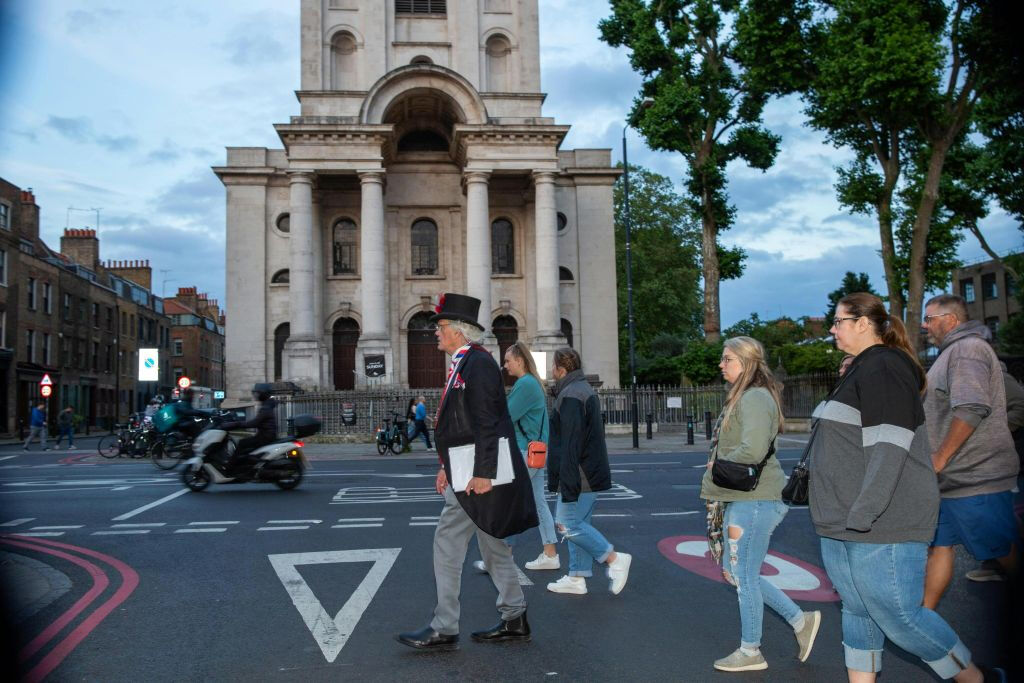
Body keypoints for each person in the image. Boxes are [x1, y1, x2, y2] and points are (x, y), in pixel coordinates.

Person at [809, 292, 996, 683]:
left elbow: (889, 447)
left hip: (880, 520)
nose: (832, 328)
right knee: (858, 611)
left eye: (839, 320)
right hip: (840, 520)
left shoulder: (885, 366)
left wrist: (865, 512)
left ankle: (977, 678)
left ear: (863, 323)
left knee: (901, 617)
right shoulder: (860, 370)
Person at [397, 293, 537, 651]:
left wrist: (484, 472)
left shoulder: (478, 364)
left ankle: (444, 625)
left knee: (447, 543)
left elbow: (488, 421)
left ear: (459, 332)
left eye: (441, 327)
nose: (436, 334)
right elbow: (464, 423)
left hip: (475, 475)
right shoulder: (466, 363)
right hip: (465, 469)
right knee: (492, 545)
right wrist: (445, 465)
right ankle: (515, 616)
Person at [701, 336, 821, 673]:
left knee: (743, 576)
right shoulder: (746, 395)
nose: (721, 365)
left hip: (754, 501)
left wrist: (717, 463)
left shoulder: (754, 397)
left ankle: (751, 650)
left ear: (745, 361)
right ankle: (801, 621)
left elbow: (752, 452)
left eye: (727, 359)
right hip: (741, 498)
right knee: (738, 573)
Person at [920, 294, 1018, 607]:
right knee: (940, 546)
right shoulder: (951, 353)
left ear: (950, 320)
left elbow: (972, 408)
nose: (925, 325)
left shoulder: (967, 350)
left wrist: (940, 457)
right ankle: (924, 622)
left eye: (930, 318)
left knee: (1002, 550)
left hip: (975, 478)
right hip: (952, 483)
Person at [545, 347, 631, 596]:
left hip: (579, 473)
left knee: (566, 523)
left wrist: (566, 481)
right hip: (587, 471)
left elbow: (571, 443)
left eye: (553, 366)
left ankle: (614, 559)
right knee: (579, 524)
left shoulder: (571, 394)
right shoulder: (581, 389)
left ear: (560, 369)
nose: (551, 371)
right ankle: (577, 577)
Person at [473, 340, 559, 573]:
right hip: (535, 452)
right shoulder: (531, 383)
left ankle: (501, 558)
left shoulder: (526, 384)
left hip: (523, 452)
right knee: (539, 503)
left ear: (519, 361)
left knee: (506, 501)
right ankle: (550, 553)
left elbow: (506, 416)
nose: (505, 365)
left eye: (508, 360)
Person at [966, 363, 1024, 583]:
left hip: (1009, 451)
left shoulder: (998, 377)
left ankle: (1002, 563)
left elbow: (1020, 407)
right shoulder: (973, 381)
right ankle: (996, 562)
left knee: (998, 509)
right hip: (990, 454)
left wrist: (995, 432)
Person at [221, 384, 279, 470]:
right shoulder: (267, 405)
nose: (256, 395)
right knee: (246, 446)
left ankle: (230, 467)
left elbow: (254, 423)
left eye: (257, 393)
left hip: (265, 437)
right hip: (266, 435)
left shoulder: (266, 408)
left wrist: (235, 424)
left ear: (263, 394)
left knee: (242, 443)